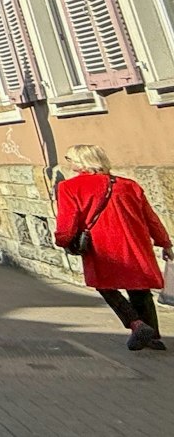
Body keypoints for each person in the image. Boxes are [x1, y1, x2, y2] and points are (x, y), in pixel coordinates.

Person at [52, 144, 172, 352]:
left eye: (70, 158)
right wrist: (164, 242)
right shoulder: (128, 185)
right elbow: (150, 217)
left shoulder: (69, 187)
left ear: (82, 161)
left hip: (102, 247)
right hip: (135, 243)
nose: (69, 162)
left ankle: (136, 324)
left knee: (105, 286)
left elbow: (68, 221)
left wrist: (62, 240)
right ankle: (152, 336)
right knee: (140, 289)